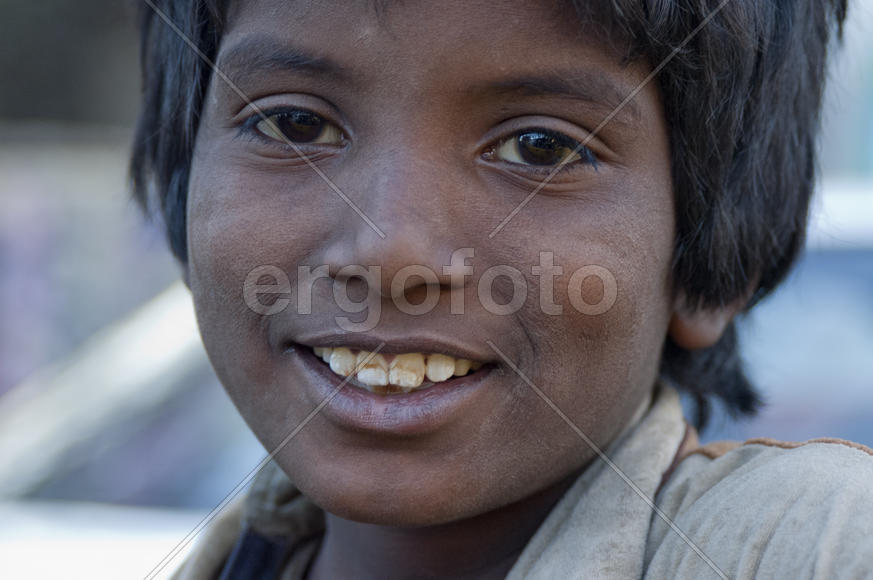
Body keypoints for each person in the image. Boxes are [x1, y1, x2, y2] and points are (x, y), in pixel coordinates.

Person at [131, 1, 872, 578]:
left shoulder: (811, 543)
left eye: (538, 147)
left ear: (713, 265)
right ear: (185, 186)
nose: (390, 252)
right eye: (294, 124)